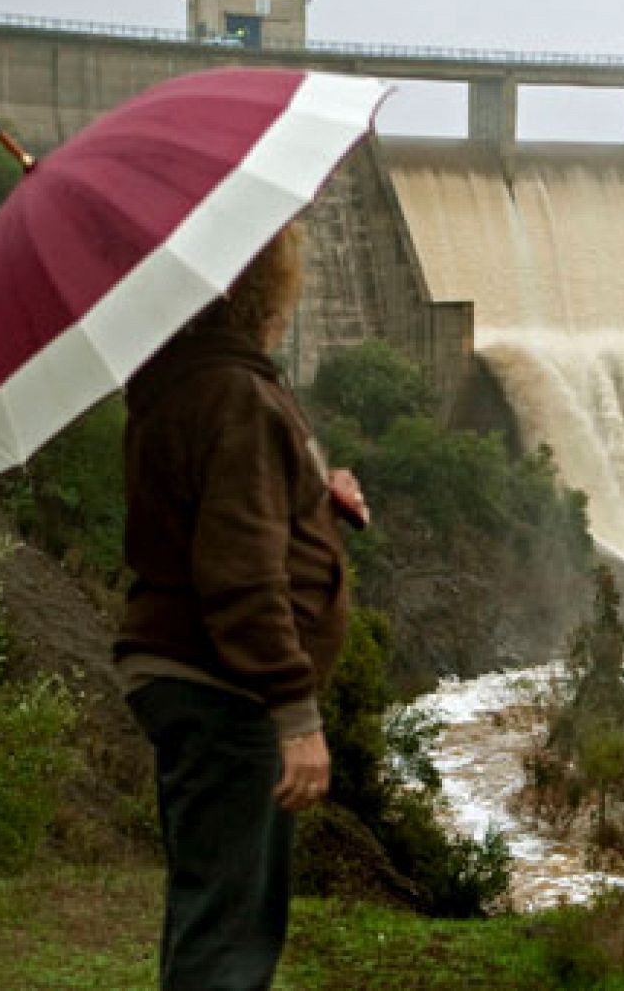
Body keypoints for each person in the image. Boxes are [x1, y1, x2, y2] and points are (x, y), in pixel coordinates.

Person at [114, 223, 367, 990]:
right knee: (231, 938)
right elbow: (240, 574)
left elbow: (211, 511)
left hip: (184, 674)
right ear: (263, 291)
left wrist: (310, 496)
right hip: (223, 687)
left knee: (211, 912)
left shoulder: (181, 380)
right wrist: (296, 712)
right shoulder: (238, 392)